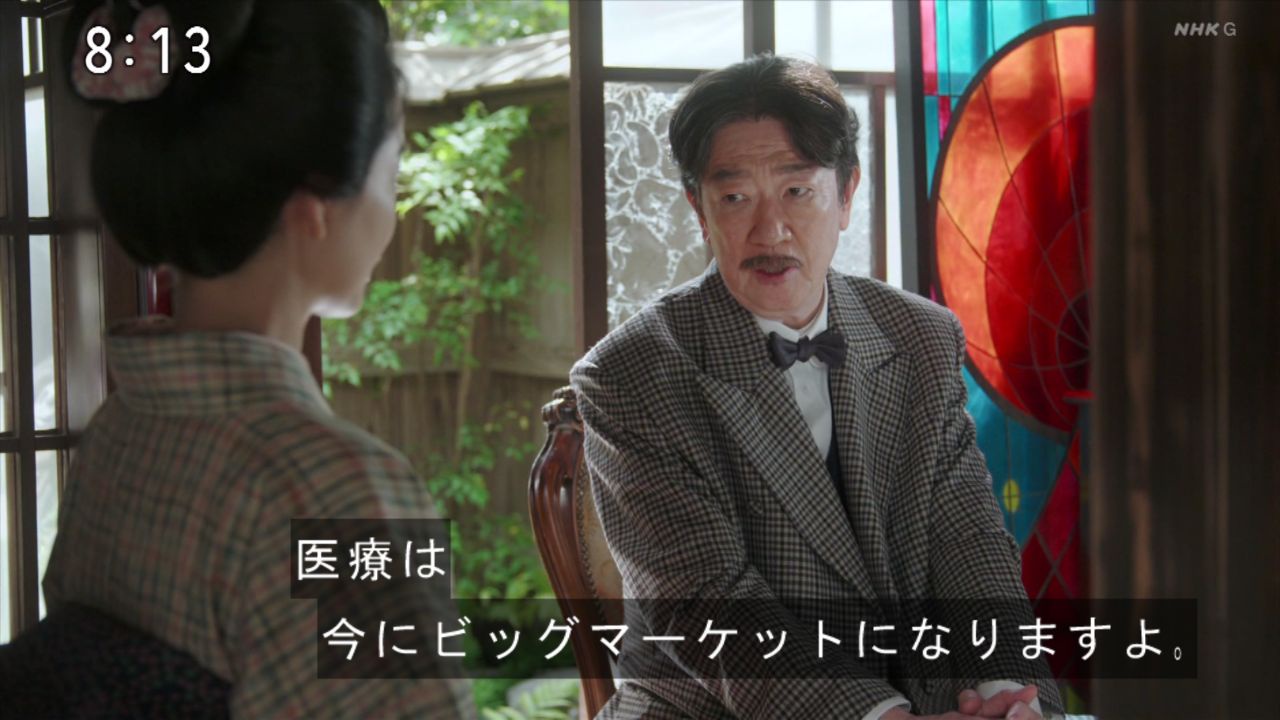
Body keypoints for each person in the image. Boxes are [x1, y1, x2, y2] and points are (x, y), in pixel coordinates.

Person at [570, 55, 1062, 720]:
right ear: (698, 208)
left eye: (798, 191)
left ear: (848, 192)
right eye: (735, 197)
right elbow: (706, 606)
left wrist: (1006, 695)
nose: (770, 231)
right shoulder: (630, 374)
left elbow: (966, 540)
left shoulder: (920, 336)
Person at [41, 1, 472, 717]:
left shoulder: (118, 433)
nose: (394, 211)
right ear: (313, 204)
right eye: (391, 167)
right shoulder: (335, 492)